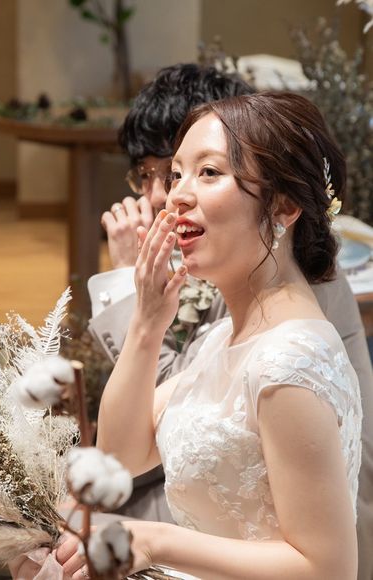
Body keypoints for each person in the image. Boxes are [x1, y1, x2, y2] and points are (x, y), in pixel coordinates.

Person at [58, 91, 363, 578]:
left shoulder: (290, 362)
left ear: (283, 205)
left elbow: (328, 569)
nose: (175, 195)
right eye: (177, 174)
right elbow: (119, 457)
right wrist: (147, 323)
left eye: (208, 172)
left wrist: (157, 541)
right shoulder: (225, 339)